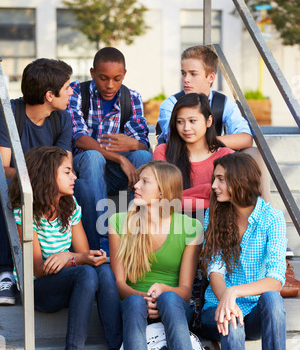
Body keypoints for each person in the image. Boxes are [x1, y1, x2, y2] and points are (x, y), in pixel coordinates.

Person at [8, 146, 123, 350]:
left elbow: (84, 255)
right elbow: (38, 269)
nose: (74, 178)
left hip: (68, 280)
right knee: (86, 272)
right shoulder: (26, 212)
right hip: (38, 288)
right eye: (67, 172)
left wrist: (71, 256)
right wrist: (75, 259)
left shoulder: (69, 206)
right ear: (48, 175)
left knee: (101, 270)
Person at [200, 153, 289, 350]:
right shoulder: (214, 215)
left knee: (273, 298)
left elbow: (276, 277)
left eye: (221, 179)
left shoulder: (272, 218)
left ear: (241, 181)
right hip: (217, 310)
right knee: (230, 318)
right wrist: (226, 296)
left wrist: (235, 292)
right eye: (215, 178)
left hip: (252, 309)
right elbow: (213, 266)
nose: (214, 185)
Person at [109, 160, 203, 350]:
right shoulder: (119, 221)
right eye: (138, 181)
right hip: (136, 304)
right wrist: (144, 296)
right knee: (136, 302)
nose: (135, 186)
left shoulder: (190, 227)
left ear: (163, 192)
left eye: (144, 182)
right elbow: (119, 283)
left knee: (171, 300)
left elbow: (185, 289)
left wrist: (164, 291)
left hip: (174, 306)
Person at [0, 58, 73, 305]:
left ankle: (78, 257)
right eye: (68, 87)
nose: (72, 92)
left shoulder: (62, 119)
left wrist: (44, 179)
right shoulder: (9, 113)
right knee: (6, 190)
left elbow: (66, 166)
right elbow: (3, 169)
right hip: (18, 187)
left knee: (75, 186)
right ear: (50, 95)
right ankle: (5, 272)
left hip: (48, 190)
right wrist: (37, 176)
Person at [156, 45, 271, 202]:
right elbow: (178, 137)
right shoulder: (171, 104)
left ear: (210, 77)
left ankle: (262, 209)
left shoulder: (223, 103)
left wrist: (211, 144)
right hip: (178, 161)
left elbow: (245, 138)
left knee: (253, 153)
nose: (186, 79)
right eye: (183, 73)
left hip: (212, 160)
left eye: (193, 74)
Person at [68, 47, 152, 256]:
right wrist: (120, 159)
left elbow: (142, 142)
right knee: (94, 157)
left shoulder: (131, 97)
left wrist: (132, 145)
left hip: (114, 174)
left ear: (124, 74)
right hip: (85, 168)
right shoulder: (77, 91)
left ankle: (136, 231)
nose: (110, 85)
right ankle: (100, 236)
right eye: (103, 78)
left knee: (144, 158)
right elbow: (78, 138)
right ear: (92, 73)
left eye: (116, 78)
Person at [153, 93, 234, 213]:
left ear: (208, 121)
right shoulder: (163, 152)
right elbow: (158, 200)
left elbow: (231, 198)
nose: (186, 128)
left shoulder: (225, 156)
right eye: (180, 122)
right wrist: (207, 193)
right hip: (174, 225)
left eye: (192, 121)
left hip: (214, 224)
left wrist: (177, 198)